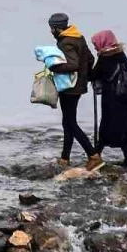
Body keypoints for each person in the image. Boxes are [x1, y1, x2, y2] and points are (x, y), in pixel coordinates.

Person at [47, 13, 102, 170]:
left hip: (69, 87)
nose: (51, 31)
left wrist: (54, 67)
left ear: (57, 28)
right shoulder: (78, 37)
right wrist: (85, 78)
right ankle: (65, 158)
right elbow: (90, 59)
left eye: (51, 28)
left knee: (70, 123)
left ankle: (93, 155)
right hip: (78, 87)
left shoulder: (66, 42)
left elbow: (73, 65)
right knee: (68, 122)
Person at [90, 30, 127, 168]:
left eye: (95, 44)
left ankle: (96, 156)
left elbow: (93, 75)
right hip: (125, 98)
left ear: (103, 42)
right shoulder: (120, 54)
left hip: (112, 99)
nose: (95, 47)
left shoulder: (105, 57)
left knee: (107, 127)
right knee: (121, 128)